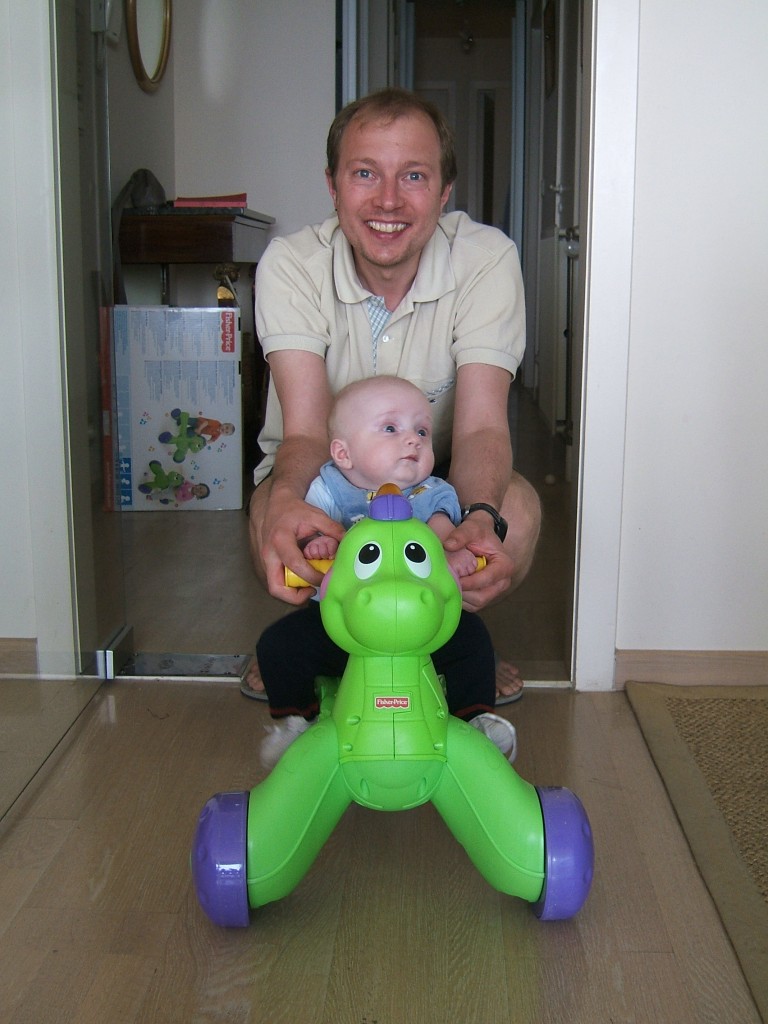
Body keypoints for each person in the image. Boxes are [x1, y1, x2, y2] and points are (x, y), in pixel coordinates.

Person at [246, 86, 541, 701]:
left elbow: (482, 427)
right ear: (332, 186)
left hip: (435, 477)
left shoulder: (487, 259)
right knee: (274, 510)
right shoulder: (291, 264)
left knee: (515, 508)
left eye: (413, 175)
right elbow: (305, 433)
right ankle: (316, 643)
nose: (387, 200)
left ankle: (448, 642)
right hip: (327, 470)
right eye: (364, 173)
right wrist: (287, 505)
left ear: (444, 190)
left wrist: (478, 519)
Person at [256, 375, 517, 768]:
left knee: (473, 640)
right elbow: (309, 534)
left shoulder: (433, 492)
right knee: (279, 646)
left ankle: (474, 719)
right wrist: (318, 545)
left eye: (422, 431)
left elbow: (444, 536)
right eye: (391, 428)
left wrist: (452, 557)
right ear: (343, 453)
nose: (413, 440)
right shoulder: (328, 489)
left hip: (422, 623)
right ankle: (295, 722)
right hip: (344, 622)